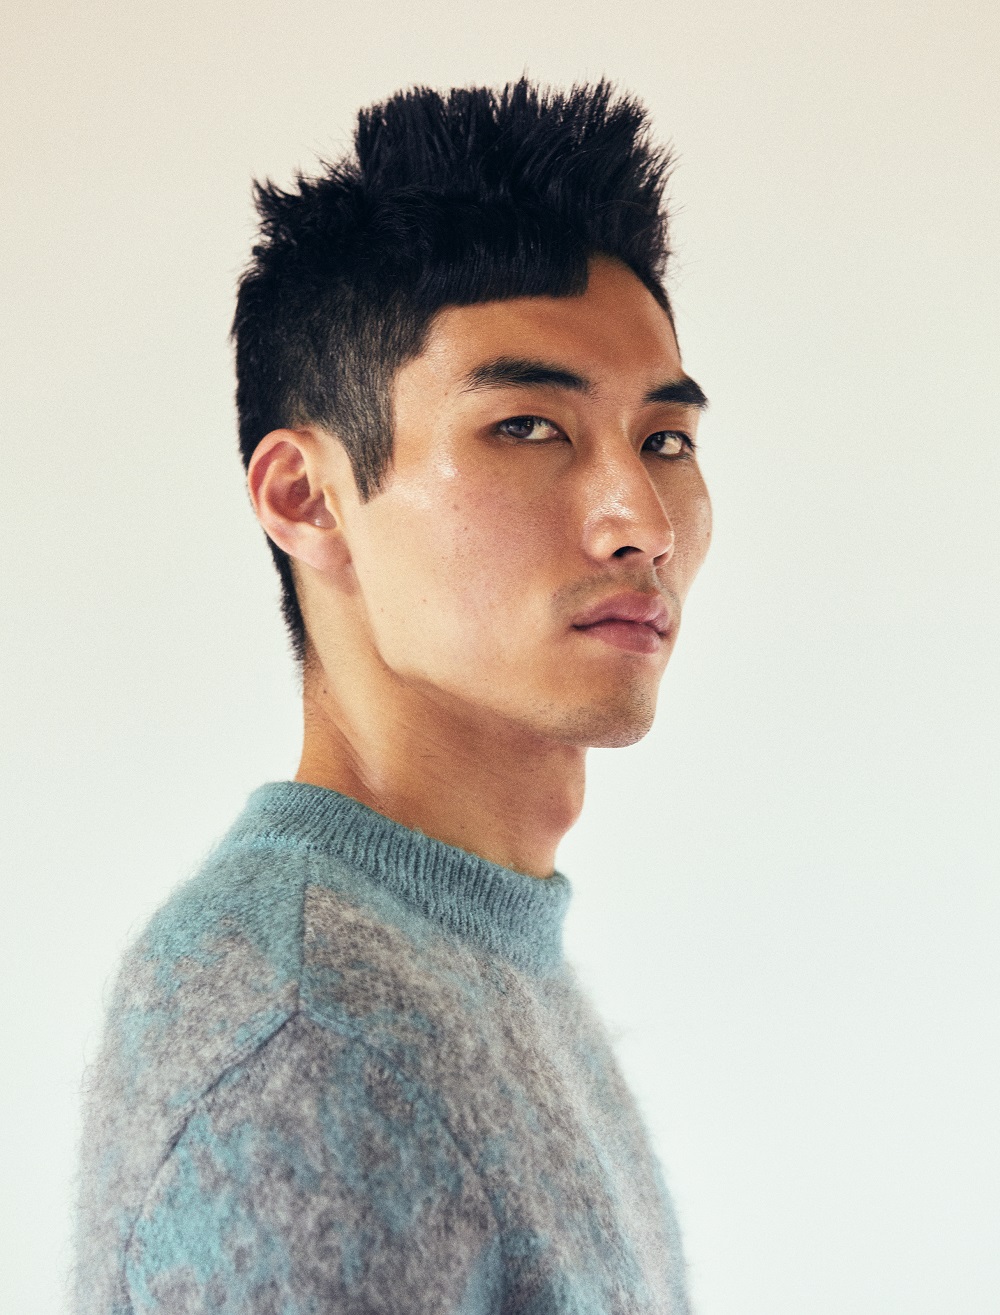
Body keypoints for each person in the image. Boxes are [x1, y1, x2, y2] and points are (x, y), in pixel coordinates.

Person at [74, 78, 712, 1314]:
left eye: (665, 440)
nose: (640, 519)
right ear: (307, 498)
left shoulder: (463, 947)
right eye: (528, 428)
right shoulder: (309, 1034)